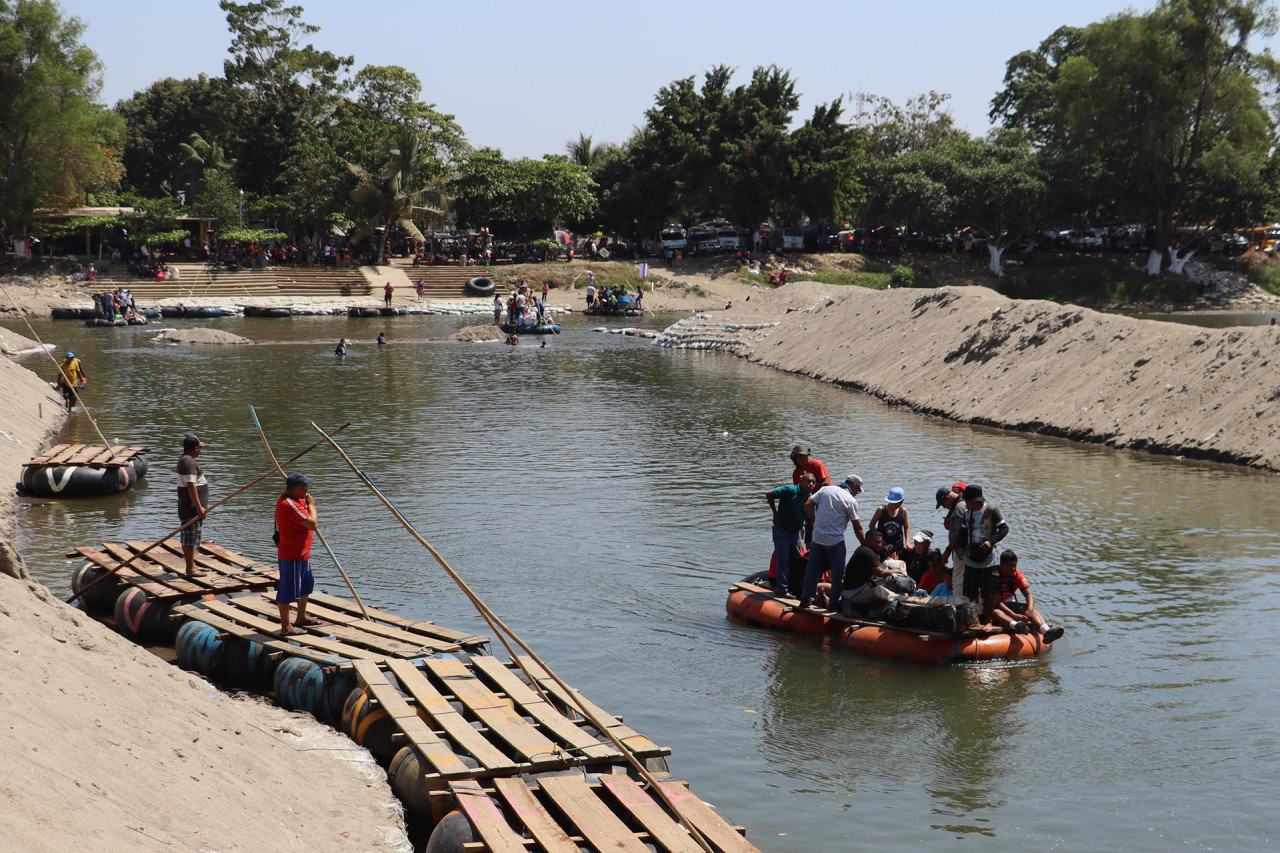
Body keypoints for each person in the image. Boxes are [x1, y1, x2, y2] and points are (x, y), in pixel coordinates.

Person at [800, 474, 863, 609]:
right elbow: (857, 527)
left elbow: (808, 504)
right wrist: (864, 544)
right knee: (837, 572)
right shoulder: (850, 500)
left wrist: (814, 522)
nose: (857, 493)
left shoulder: (826, 490)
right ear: (853, 486)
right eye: (857, 490)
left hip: (818, 538)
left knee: (812, 570)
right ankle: (834, 602)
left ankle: (806, 599)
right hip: (835, 541)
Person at [275, 472, 319, 635]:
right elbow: (312, 524)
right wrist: (312, 506)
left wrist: (307, 503)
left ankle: (301, 616)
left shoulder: (296, 500)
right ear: (297, 488)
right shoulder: (288, 504)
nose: (307, 490)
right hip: (292, 554)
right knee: (287, 589)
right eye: (305, 487)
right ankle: (286, 627)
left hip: (302, 553)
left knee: (306, 584)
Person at [989, 550, 1065, 643]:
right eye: (1009, 565)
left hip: (1011, 604)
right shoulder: (992, 575)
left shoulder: (1017, 574)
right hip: (995, 606)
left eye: (1014, 565)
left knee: (1032, 608)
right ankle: (1017, 626)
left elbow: (1028, 593)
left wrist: (1029, 609)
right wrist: (1014, 615)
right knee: (996, 612)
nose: (1013, 568)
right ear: (1001, 564)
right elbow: (995, 601)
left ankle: (1046, 632)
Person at [959, 484, 1010, 615]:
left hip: (989, 559)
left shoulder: (992, 511)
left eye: (966, 500)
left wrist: (990, 542)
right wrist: (961, 547)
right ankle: (972, 618)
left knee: (989, 593)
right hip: (971, 558)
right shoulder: (967, 513)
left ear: (974, 501)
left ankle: (989, 621)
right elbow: (964, 531)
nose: (965, 503)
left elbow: (1004, 529)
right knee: (969, 592)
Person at [766, 472, 816, 597]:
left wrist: (804, 529)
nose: (810, 484)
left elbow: (812, 520)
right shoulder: (790, 490)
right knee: (782, 559)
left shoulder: (811, 500)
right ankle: (782, 589)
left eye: (813, 482)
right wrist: (775, 512)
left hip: (796, 531)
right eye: (808, 481)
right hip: (782, 529)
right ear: (801, 482)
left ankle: (795, 587)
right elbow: (769, 494)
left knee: (798, 559)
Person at [176, 434, 209, 578]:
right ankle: (190, 569)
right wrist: (198, 507)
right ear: (195, 448)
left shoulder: (187, 460)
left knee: (192, 538)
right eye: (199, 448)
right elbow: (191, 486)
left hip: (193, 509)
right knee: (189, 539)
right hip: (190, 509)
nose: (199, 450)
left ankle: (193, 566)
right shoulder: (188, 462)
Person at [868, 488, 910, 557]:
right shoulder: (881, 510)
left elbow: (906, 528)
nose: (893, 505)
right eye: (892, 503)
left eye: (896, 504)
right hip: (883, 546)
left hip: (898, 546)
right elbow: (871, 525)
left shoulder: (903, 511)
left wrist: (907, 542)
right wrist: (879, 540)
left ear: (901, 503)